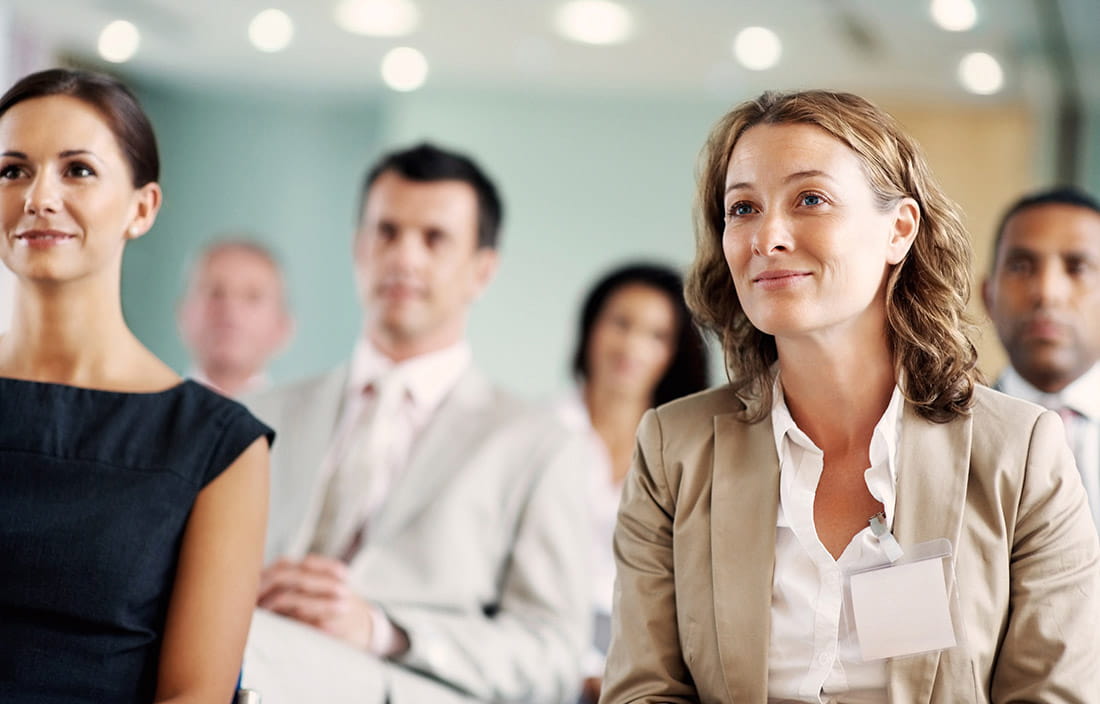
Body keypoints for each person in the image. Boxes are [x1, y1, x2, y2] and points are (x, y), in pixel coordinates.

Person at [599, 90, 1100, 703]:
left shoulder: (1020, 453)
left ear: (899, 230)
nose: (768, 236)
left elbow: (1053, 693)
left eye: (810, 199)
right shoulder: (674, 448)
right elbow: (642, 690)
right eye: (742, 208)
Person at [242, 143, 591, 703]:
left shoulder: (542, 447)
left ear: (482, 270)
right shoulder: (261, 415)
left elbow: (552, 656)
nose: (404, 257)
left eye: (434, 239)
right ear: (358, 247)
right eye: (386, 232)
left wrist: (385, 632)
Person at [0, 68, 272, 702]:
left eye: (78, 170)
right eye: (12, 170)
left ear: (141, 208)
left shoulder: (219, 448)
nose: (38, 196)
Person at [555, 262, 708, 704]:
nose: (632, 346)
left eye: (657, 336)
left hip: (648, 657)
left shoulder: (689, 453)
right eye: (620, 324)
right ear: (590, 328)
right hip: (546, 644)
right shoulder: (538, 436)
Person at [982, 186, 1100, 531]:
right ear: (989, 297)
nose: (1047, 292)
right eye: (1021, 266)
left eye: (1077, 268)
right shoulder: (942, 439)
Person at [178, 237, 293, 397]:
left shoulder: (304, 419)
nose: (230, 309)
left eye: (252, 296)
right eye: (215, 292)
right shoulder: (145, 414)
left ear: (282, 326)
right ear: (183, 314)